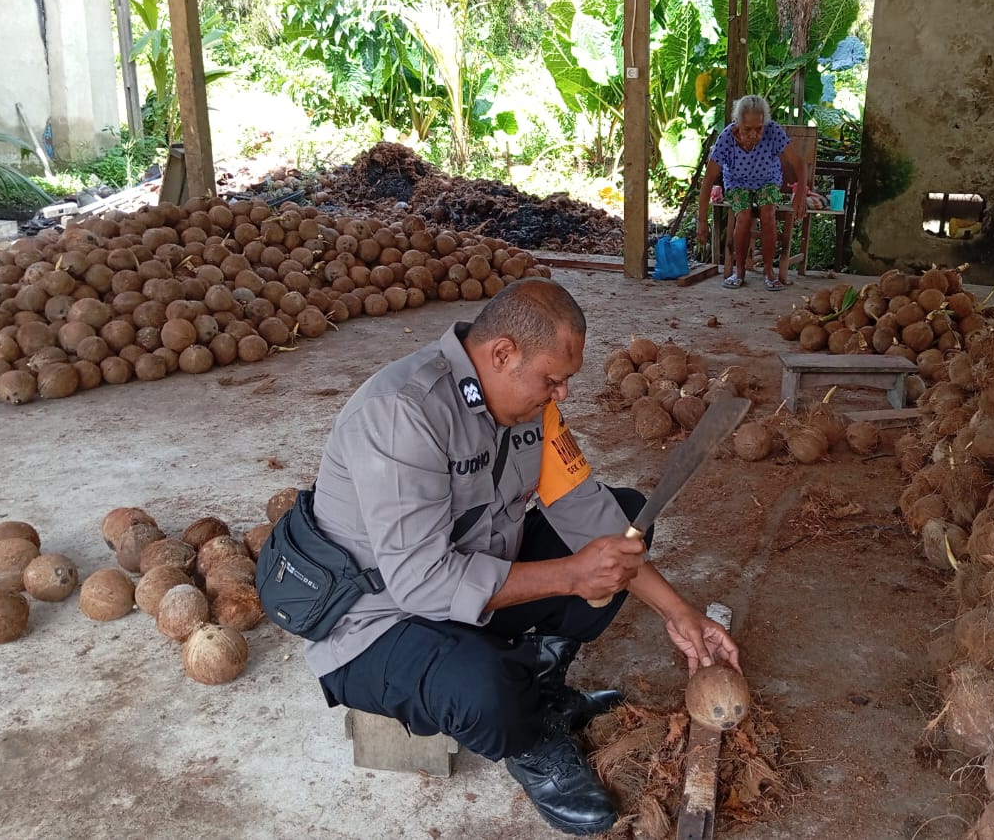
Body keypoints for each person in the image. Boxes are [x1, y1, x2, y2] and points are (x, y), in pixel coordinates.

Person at [304, 277, 740, 836]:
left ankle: (543, 683)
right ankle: (531, 737)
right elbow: (422, 585)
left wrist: (680, 613)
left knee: (626, 518)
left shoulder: (530, 408)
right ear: (503, 353)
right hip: (376, 619)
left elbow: (594, 517)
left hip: (470, 577)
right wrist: (570, 575)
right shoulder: (403, 413)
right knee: (485, 685)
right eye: (552, 380)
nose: (561, 395)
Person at [696, 94, 808, 290]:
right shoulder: (726, 138)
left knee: (768, 213)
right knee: (744, 216)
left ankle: (768, 272)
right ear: (737, 123)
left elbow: (799, 163)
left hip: (768, 181)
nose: (755, 134)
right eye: (748, 129)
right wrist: (702, 220)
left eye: (759, 128)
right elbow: (708, 180)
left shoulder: (773, 131)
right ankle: (739, 271)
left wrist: (800, 195)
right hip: (737, 183)